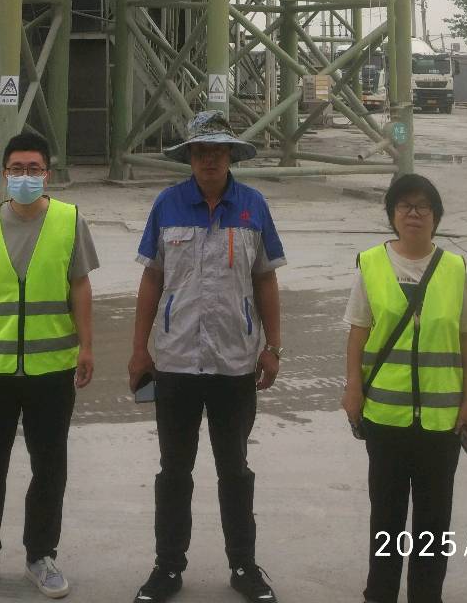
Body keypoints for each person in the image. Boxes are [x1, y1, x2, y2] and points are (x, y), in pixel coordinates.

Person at [128, 111, 285, 603]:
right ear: (190, 157)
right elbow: (152, 278)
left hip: (234, 365)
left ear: (231, 155)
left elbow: (266, 278)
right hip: (175, 362)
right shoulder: (167, 204)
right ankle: (167, 569)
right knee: (174, 471)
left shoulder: (253, 206)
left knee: (234, 470)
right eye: (201, 151)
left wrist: (273, 347)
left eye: (218, 151)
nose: (210, 159)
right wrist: (139, 349)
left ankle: (244, 566)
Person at [0, 130, 99, 601]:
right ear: (4, 174)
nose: (25, 177)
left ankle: (40, 557)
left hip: (52, 368)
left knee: (49, 467)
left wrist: (87, 347)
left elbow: (80, 286)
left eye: (33, 169)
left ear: (47, 174)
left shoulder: (69, 220)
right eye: (17, 169)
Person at [341, 173, 467, 603]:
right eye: (404, 206)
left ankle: (426, 595)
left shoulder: (455, 269)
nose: (414, 213)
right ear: (392, 215)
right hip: (385, 417)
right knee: (386, 517)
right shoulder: (372, 264)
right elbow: (358, 333)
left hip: (441, 421)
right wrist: (352, 389)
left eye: (423, 206)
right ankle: (380, 594)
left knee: (433, 522)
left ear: (436, 217)